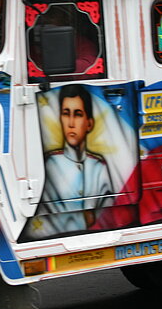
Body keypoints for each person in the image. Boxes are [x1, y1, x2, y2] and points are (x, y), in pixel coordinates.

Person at [23, 85, 112, 239]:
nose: (71, 123)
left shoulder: (98, 167)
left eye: (77, 114)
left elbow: (108, 214)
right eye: (66, 114)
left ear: (89, 123)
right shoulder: (50, 164)